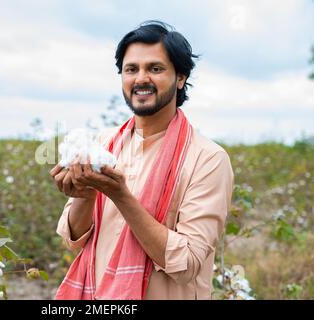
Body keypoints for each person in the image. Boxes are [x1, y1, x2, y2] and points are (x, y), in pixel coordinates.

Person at [50, 20, 234, 300]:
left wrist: (121, 196)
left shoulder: (207, 159)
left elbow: (186, 264)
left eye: (155, 69)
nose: (141, 79)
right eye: (131, 69)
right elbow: (73, 239)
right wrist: (85, 195)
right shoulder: (103, 144)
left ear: (181, 77)